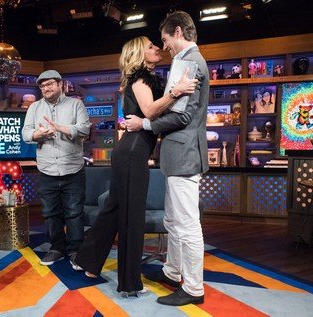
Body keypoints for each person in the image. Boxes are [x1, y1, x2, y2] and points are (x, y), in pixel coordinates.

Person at [74, 36, 197, 295]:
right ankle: (129, 282)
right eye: (151, 47)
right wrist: (176, 92)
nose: (157, 50)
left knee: (114, 209)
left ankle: (88, 261)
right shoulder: (141, 79)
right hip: (132, 152)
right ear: (140, 55)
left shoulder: (143, 79)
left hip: (130, 150)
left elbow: (150, 114)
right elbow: (150, 111)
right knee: (132, 216)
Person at [125, 11, 209, 306]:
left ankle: (194, 288)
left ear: (177, 32)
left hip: (185, 155)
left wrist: (144, 124)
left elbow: (184, 114)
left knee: (187, 224)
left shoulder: (189, 62)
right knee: (174, 219)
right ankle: (173, 272)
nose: (165, 46)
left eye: (165, 40)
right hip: (177, 155)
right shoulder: (185, 60)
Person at [22, 70, 91, 267]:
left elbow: (85, 129)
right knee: (50, 213)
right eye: (42, 86)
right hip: (46, 169)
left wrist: (61, 128)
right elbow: (25, 133)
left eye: (50, 84)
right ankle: (56, 248)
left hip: (73, 169)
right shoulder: (34, 108)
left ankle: (76, 250)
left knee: (74, 212)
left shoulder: (76, 104)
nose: (46, 88)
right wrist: (38, 133)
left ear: (60, 84)